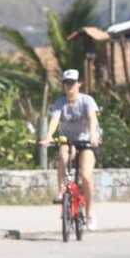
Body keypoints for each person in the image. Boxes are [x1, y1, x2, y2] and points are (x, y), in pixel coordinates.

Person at [40, 69, 100, 231]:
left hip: (86, 140)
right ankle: (61, 190)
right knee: (63, 156)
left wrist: (93, 136)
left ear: (79, 84)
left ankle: (88, 213)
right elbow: (55, 120)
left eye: (72, 83)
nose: (69, 86)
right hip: (68, 140)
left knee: (86, 176)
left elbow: (92, 118)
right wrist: (49, 136)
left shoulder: (87, 101)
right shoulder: (60, 103)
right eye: (66, 83)